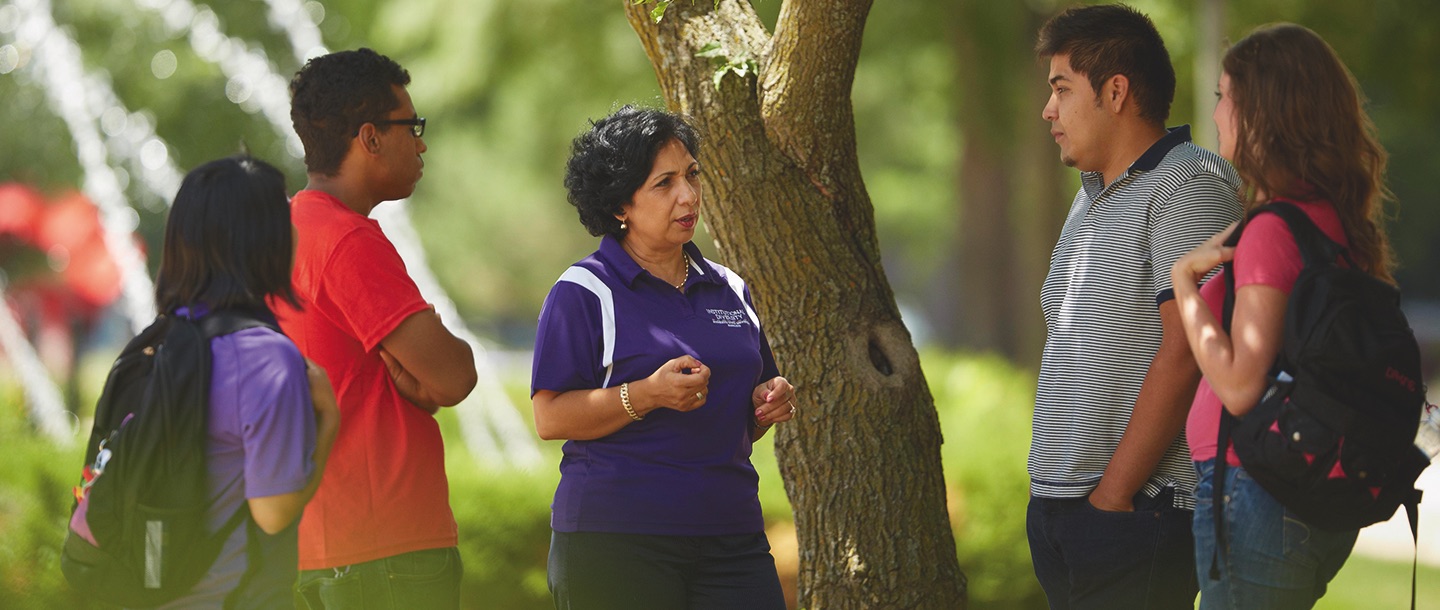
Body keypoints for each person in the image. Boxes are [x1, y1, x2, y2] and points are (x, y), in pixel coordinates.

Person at [532, 105, 795, 609]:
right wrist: (646, 395)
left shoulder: (731, 288)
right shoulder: (585, 291)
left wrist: (767, 402)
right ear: (619, 205)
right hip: (616, 542)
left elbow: (743, 417)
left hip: (732, 536)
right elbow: (549, 417)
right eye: (664, 182)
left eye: (693, 175)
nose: (688, 195)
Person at [1170, 23, 1395, 609]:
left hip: (1257, 493)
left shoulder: (1274, 230)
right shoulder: (1333, 222)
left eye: (1224, 97)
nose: (1216, 113)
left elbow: (1242, 384)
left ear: (1259, 114)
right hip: (1304, 496)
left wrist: (1183, 286)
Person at [1026, 4, 1243, 608]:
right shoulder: (1088, 195)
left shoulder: (1189, 181)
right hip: (1067, 513)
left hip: (1136, 515)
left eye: (1062, 89)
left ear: (1115, 91)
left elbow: (1189, 351)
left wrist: (1112, 497)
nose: (1049, 110)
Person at [277, 48, 477, 609]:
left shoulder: (286, 227)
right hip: (383, 550)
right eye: (410, 125)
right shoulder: (347, 241)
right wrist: (428, 376)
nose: (421, 143)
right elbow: (454, 375)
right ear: (369, 138)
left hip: (321, 542)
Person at [149, 154, 340, 607]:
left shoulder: (158, 340)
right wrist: (329, 420)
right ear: (262, 241)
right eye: (283, 214)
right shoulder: (267, 359)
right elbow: (273, 514)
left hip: (156, 589)